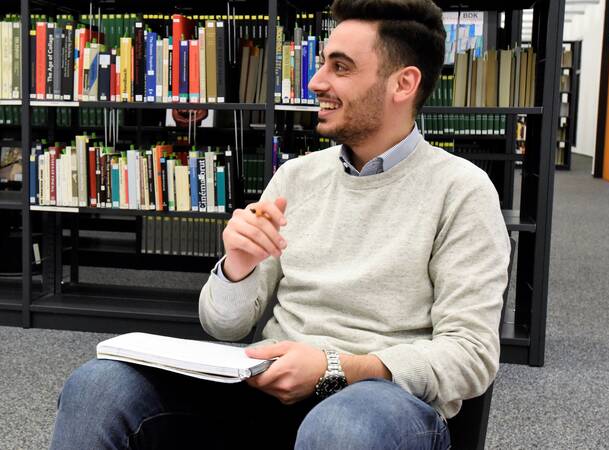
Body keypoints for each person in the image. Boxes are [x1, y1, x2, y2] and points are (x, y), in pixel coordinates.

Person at [50, 0, 510, 448]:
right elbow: (224, 326)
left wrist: (337, 368)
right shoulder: (296, 176)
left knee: (343, 425)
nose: (315, 81)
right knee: (98, 385)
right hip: (266, 390)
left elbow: (470, 355)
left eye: (340, 67)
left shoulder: (462, 190)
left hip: (380, 402)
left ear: (403, 83)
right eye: (322, 64)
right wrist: (238, 266)